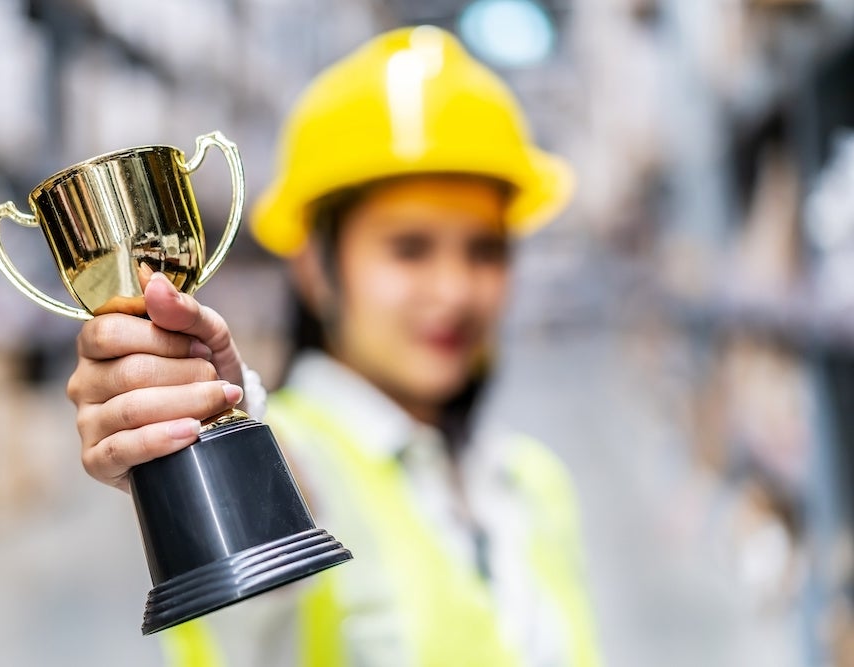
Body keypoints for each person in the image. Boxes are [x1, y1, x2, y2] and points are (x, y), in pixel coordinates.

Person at [66, 25, 601, 667]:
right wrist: (214, 439)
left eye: (484, 250)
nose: (455, 291)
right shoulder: (300, 466)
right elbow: (266, 574)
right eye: (409, 248)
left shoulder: (534, 483)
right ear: (315, 268)